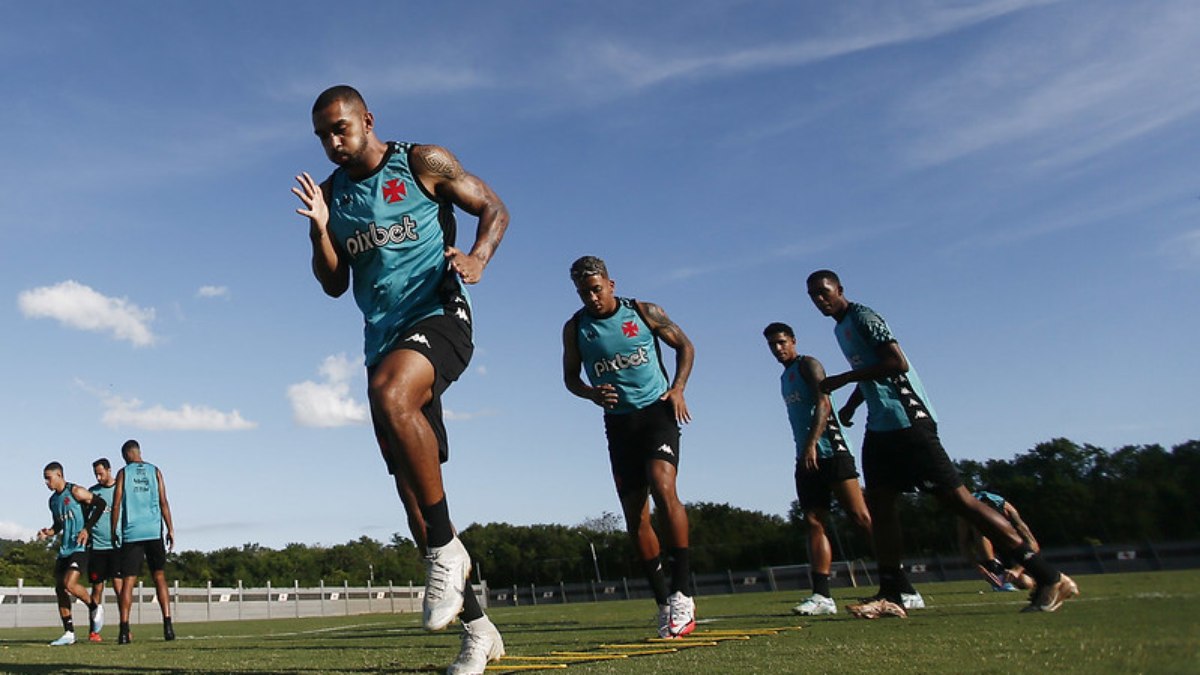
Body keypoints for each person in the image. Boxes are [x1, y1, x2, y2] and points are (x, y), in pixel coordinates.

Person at [291, 85, 508, 674]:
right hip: (381, 341)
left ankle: (445, 552)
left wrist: (479, 257)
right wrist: (319, 229)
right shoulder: (333, 196)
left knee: (392, 393)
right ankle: (478, 630)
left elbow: (493, 207)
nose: (333, 143)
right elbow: (334, 284)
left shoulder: (421, 162)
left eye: (341, 128)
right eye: (322, 136)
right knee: (415, 499)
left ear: (367, 119)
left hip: (439, 314)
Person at [806, 269, 1077, 617]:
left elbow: (894, 362)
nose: (819, 300)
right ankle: (892, 593)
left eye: (824, 292)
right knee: (881, 506)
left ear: (839, 289)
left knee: (962, 502)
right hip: (881, 427)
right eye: (813, 296)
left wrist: (843, 379)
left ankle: (1048, 576)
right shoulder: (840, 328)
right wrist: (852, 404)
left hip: (909, 422)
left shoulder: (863, 317)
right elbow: (872, 370)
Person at [562, 255, 697, 639]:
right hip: (619, 424)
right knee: (635, 515)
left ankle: (684, 590)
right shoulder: (575, 328)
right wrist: (590, 394)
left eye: (596, 289)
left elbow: (685, 346)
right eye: (584, 291)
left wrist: (679, 388)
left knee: (663, 484)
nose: (591, 297)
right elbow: (570, 377)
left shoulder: (644, 311)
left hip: (657, 411)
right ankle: (664, 602)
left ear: (611, 284)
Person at [763, 322, 924, 616]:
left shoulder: (808, 365)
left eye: (782, 342)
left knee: (860, 517)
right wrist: (805, 450)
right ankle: (822, 595)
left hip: (832, 452)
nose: (778, 349)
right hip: (806, 457)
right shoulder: (784, 377)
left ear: (794, 341)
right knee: (813, 520)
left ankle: (903, 585)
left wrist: (813, 442)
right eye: (772, 345)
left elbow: (824, 403)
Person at [110, 439, 176, 644]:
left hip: (132, 533)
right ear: (138, 452)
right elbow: (164, 501)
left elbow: (117, 503)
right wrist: (171, 528)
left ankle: (123, 630)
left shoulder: (123, 473)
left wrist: (114, 530)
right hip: (153, 530)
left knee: (128, 580)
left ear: (126, 455)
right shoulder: (155, 471)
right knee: (159, 577)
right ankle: (168, 626)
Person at [38, 462, 106, 646]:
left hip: (80, 546)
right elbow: (58, 525)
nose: (46, 482)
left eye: (48, 477)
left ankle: (94, 606)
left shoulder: (76, 491)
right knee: (60, 588)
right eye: (44, 478)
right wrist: (48, 532)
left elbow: (101, 504)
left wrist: (87, 529)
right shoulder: (53, 501)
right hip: (65, 548)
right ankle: (69, 633)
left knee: (69, 584)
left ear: (59, 474)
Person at [958, 490, 1037, 591]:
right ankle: (996, 572)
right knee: (979, 530)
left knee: (1026, 583)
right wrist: (980, 569)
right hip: (990, 549)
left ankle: (1013, 576)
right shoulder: (966, 514)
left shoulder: (1008, 510)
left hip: (1010, 545)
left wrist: (1017, 570)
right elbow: (963, 544)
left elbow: (1033, 543)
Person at [85, 457, 122, 642]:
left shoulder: (120, 490)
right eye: (96, 474)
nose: (98, 477)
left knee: (119, 588)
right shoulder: (92, 492)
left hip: (117, 547)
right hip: (97, 547)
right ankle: (94, 631)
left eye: (101, 473)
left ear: (109, 470)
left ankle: (125, 628)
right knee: (96, 588)